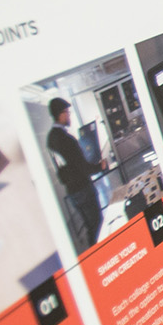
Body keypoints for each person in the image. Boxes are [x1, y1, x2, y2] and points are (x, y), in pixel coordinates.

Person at [45, 98, 106, 251]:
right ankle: (99, 255)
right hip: (83, 189)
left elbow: (65, 167)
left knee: (90, 226)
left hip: (72, 192)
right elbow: (81, 167)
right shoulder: (66, 139)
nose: (69, 116)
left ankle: (94, 253)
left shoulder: (50, 139)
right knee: (97, 224)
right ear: (61, 114)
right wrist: (100, 166)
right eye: (67, 113)